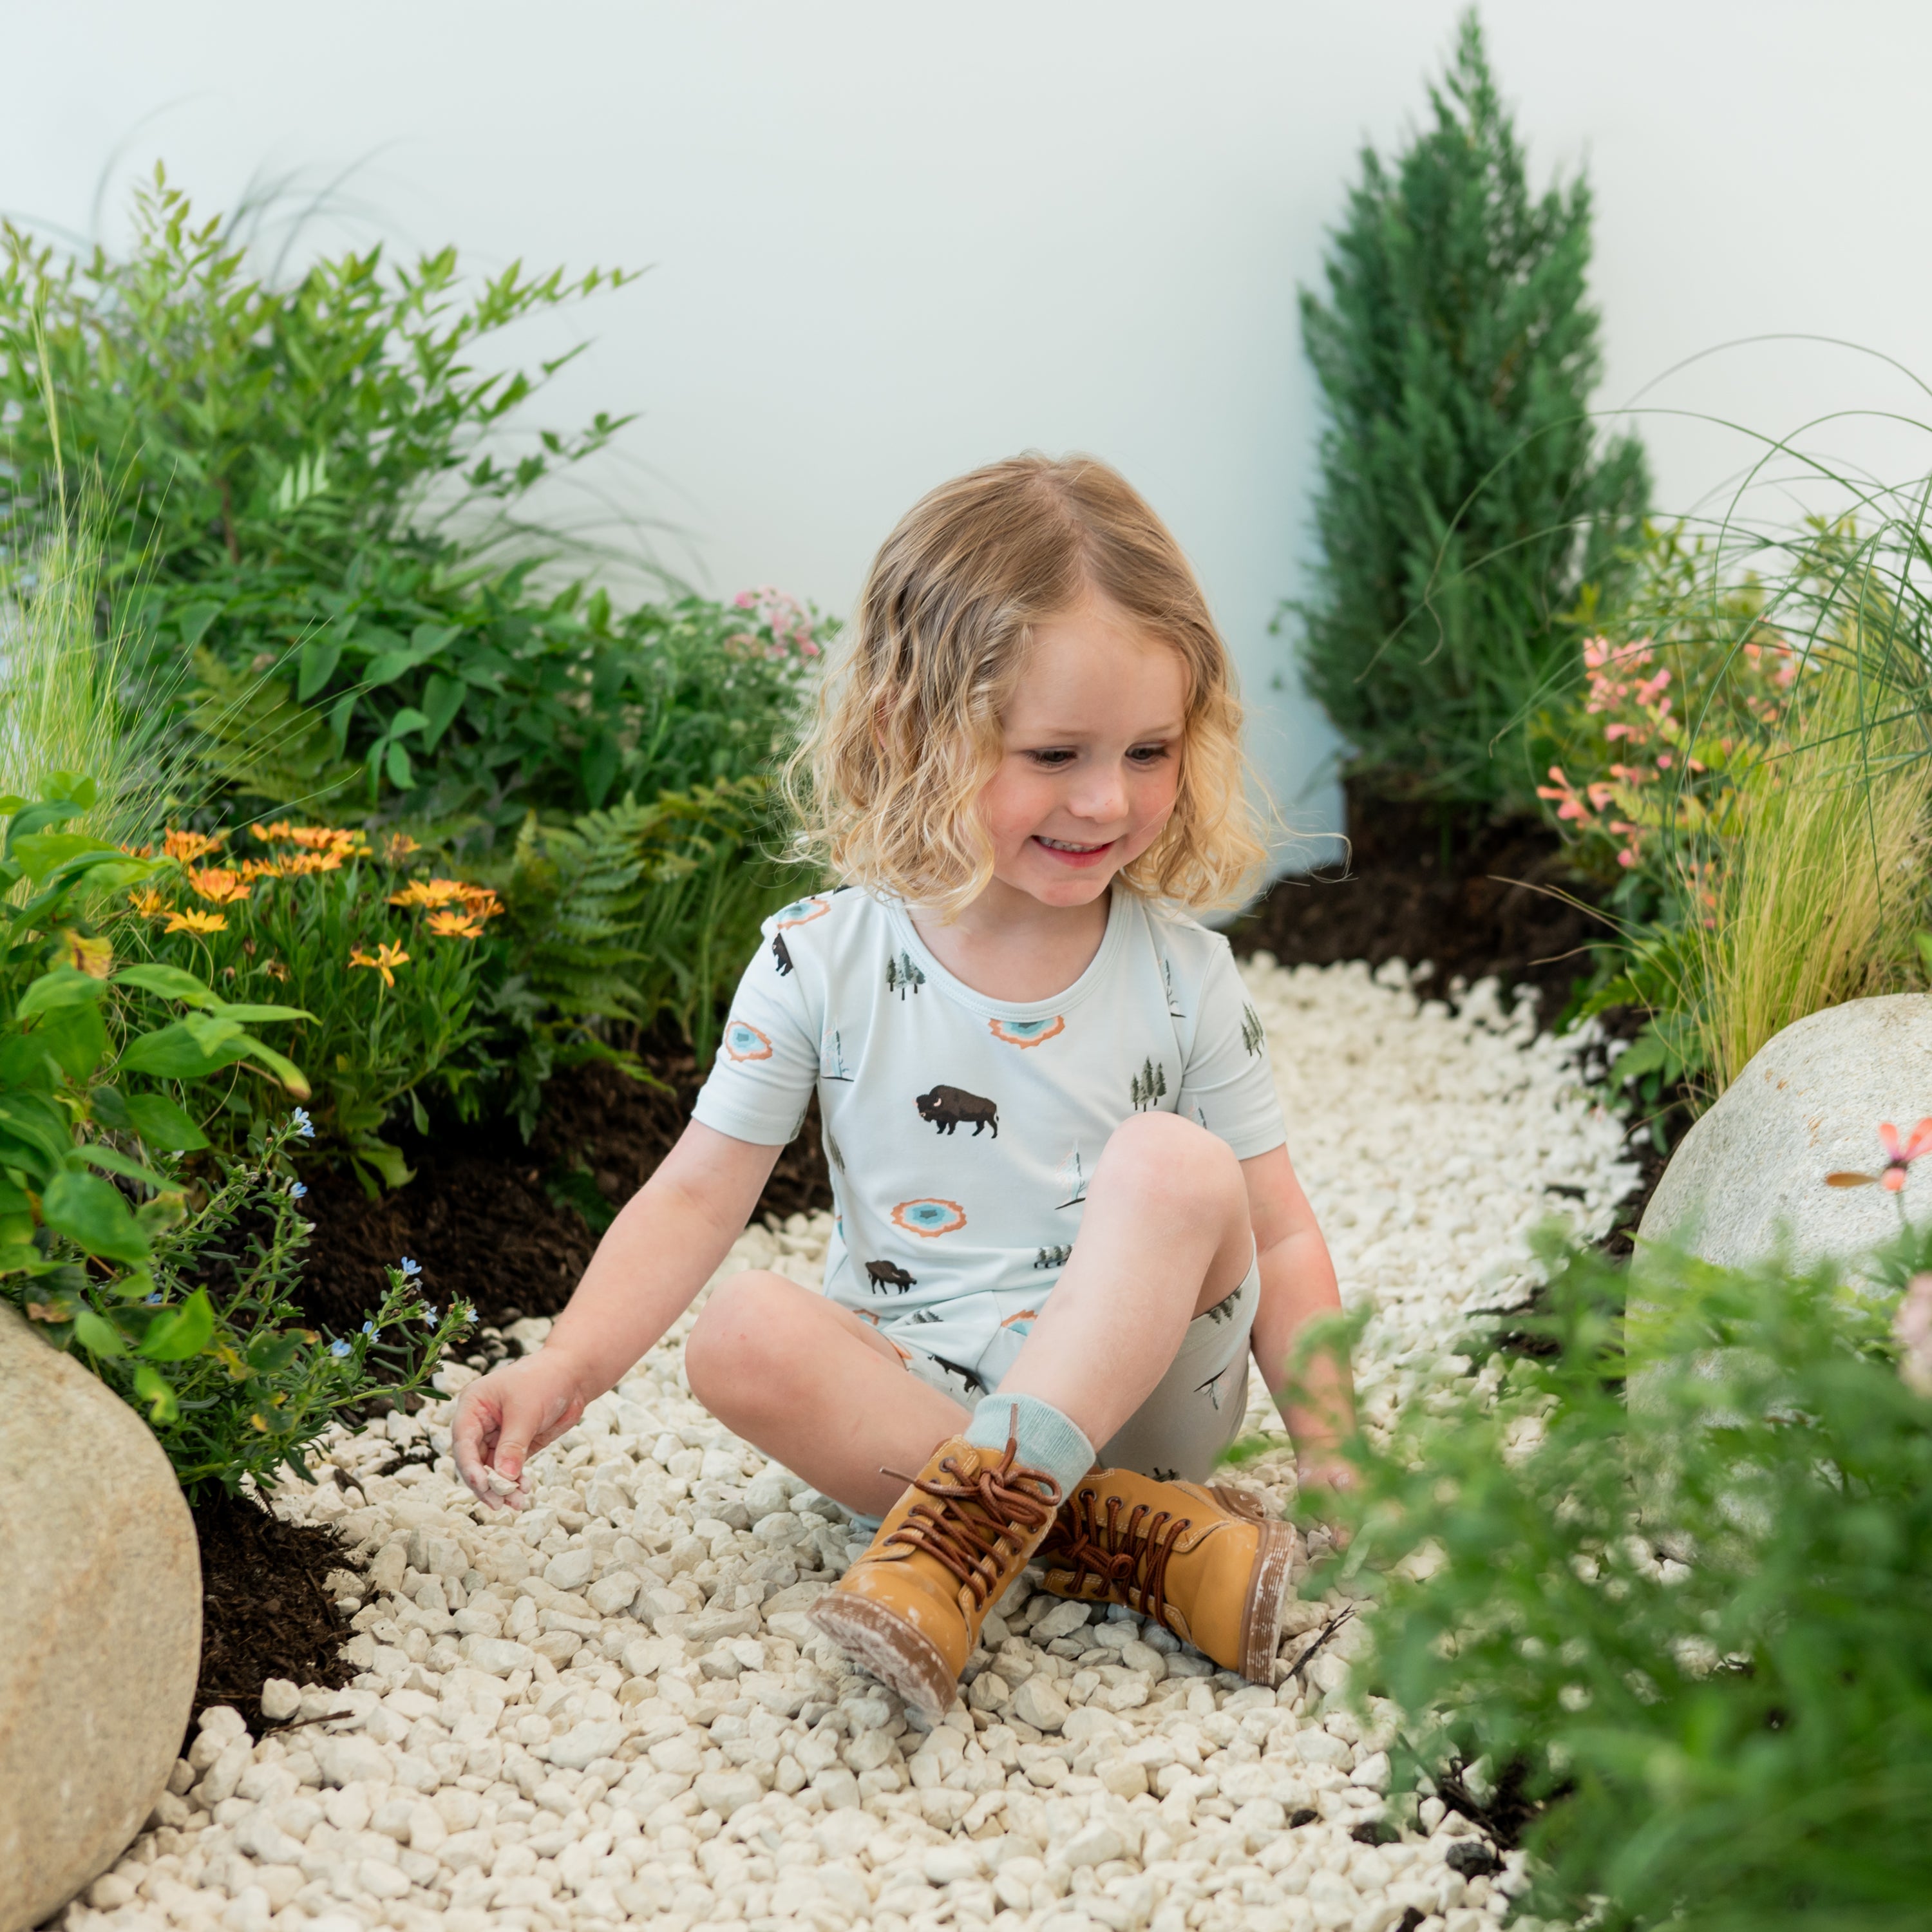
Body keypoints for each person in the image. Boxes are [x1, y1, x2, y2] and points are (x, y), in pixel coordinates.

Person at [453, 454, 1353, 1719]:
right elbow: (699, 1194)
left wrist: (1337, 1449)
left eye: (1149, 750)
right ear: (906, 729)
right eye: (1053, 754)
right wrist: (568, 1365)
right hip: (915, 1404)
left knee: (1176, 1166)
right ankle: (1124, 1541)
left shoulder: (1183, 976)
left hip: (1146, 1398)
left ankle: (977, 1530)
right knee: (740, 1335)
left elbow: (1280, 1226)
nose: (1107, 799)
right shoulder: (818, 960)